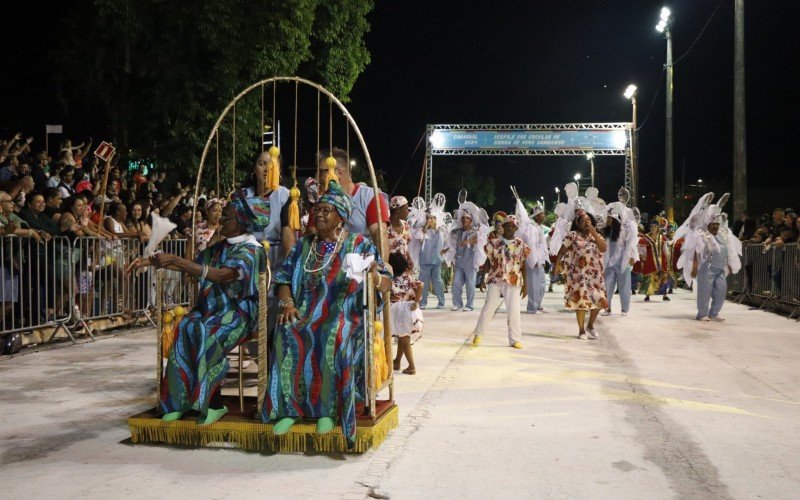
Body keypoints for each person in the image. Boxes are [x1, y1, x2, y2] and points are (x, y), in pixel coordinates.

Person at [263, 181, 391, 446]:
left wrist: (375, 276)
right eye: (316, 210)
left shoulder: (358, 244)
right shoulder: (303, 245)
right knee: (286, 330)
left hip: (347, 313)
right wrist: (287, 303)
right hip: (306, 311)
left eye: (326, 210)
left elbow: (387, 281)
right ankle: (289, 410)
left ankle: (328, 411)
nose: (318, 214)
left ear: (341, 218)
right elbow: (284, 277)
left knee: (333, 333)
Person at [127, 192, 268, 425]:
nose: (221, 220)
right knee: (185, 326)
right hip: (212, 306)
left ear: (243, 221)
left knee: (207, 330)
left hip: (239, 311)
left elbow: (223, 275)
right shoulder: (220, 247)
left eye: (228, 217)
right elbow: (196, 265)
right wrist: (149, 260)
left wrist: (178, 261)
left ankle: (214, 403)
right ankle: (177, 402)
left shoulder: (252, 250)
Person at [472, 215, 529, 349]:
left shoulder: (521, 244)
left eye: (513, 225)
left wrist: (526, 284)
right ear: (502, 227)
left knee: (513, 309)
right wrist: (482, 278)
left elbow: (523, 265)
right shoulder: (494, 242)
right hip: (495, 278)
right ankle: (478, 334)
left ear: (516, 228)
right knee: (489, 306)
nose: (510, 227)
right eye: (507, 225)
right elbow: (488, 260)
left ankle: (515, 339)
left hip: (513, 279)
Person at [318, 147, 389, 255]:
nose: (318, 177)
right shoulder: (324, 201)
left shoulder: (370, 197)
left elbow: (379, 233)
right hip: (328, 264)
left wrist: (381, 265)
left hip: (360, 265)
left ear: (338, 173)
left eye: (322, 172)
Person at [555, 210, 608, 339]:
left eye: (588, 220)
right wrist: (557, 264)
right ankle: (581, 330)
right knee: (581, 301)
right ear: (577, 223)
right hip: (578, 274)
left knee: (600, 300)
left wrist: (594, 232)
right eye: (583, 220)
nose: (586, 222)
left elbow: (604, 248)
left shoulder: (596, 236)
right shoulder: (572, 235)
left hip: (595, 274)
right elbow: (562, 251)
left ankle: (590, 325)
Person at [601, 201, 638, 316]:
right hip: (609, 263)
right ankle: (607, 308)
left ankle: (624, 309)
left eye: (609, 219)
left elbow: (632, 243)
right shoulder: (605, 232)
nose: (607, 221)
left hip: (623, 261)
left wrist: (632, 256)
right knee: (607, 285)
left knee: (624, 286)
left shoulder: (623, 230)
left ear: (614, 220)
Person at [389, 252, 423, 375]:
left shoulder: (390, 280)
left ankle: (411, 366)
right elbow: (420, 285)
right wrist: (417, 302)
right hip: (408, 310)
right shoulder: (407, 278)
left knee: (404, 338)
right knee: (402, 336)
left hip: (397, 312)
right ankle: (397, 361)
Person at [516, 202, 549, 314]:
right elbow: (530, 245)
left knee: (542, 284)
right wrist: (533, 259)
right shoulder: (531, 227)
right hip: (532, 260)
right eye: (542, 214)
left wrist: (543, 259)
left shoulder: (539, 227)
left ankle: (538, 305)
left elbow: (541, 245)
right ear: (537, 215)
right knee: (533, 285)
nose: (544, 216)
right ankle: (531, 307)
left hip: (540, 260)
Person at [415, 212, 446, 309]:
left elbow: (446, 245)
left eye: (432, 218)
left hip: (436, 261)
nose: (430, 220)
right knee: (423, 282)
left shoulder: (440, 231)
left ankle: (441, 302)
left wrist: (445, 259)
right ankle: (423, 302)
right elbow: (419, 238)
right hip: (425, 260)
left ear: (436, 220)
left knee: (438, 281)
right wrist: (426, 226)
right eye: (428, 218)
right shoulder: (422, 230)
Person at [450, 211, 479, 311]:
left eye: (467, 218)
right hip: (459, 261)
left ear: (471, 220)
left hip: (470, 262)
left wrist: (468, 241)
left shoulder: (475, 231)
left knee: (470, 284)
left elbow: (480, 240)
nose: (464, 220)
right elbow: (450, 241)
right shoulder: (457, 231)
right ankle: (457, 303)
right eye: (463, 218)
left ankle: (469, 305)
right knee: (456, 282)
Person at [636, 218, 671, 302]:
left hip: (661, 261)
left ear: (658, 228)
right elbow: (641, 248)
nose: (653, 228)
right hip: (649, 260)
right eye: (652, 226)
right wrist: (642, 255)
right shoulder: (645, 237)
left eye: (655, 226)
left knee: (663, 276)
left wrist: (668, 257)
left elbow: (665, 248)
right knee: (649, 277)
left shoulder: (662, 237)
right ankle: (648, 295)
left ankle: (664, 295)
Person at [388, 196, 413, 267]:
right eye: (406, 208)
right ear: (398, 210)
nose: (408, 212)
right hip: (390, 268)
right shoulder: (385, 226)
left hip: (403, 267)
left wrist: (409, 258)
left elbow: (406, 245)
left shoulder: (405, 225)